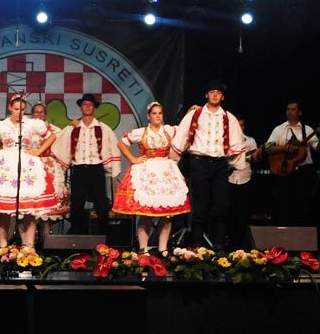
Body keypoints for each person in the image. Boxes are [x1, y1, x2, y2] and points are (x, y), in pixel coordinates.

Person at [0, 95, 58, 247]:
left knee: (29, 210)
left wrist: (39, 151)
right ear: (10, 108)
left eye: (23, 109)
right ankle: (3, 247)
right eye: (16, 109)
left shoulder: (32, 123)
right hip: (6, 166)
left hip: (27, 166)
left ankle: (29, 246)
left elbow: (51, 136)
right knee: (4, 211)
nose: (19, 112)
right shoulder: (1, 125)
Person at [171, 81, 245, 249]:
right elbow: (182, 135)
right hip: (199, 163)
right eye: (212, 92)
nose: (215, 95)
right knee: (200, 207)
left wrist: (235, 164)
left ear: (222, 97)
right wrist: (173, 160)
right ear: (206, 95)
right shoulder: (196, 114)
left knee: (221, 206)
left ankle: (218, 246)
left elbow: (237, 140)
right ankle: (197, 246)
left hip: (219, 165)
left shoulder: (228, 117)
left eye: (218, 92)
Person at [112, 102, 191, 253]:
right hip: (147, 172)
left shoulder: (169, 130)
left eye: (160, 113)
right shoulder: (141, 132)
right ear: (148, 116)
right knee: (146, 214)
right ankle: (144, 250)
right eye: (154, 113)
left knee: (167, 214)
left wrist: (190, 112)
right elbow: (121, 143)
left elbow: (184, 129)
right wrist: (133, 159)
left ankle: (163, 249)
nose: (157, 116)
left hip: (166, 172)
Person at [51, 93, 121, 238]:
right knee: (77, 204)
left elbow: (113, 146)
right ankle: (76, 238)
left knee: (101, 205)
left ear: (94, 107)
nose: (87, 107)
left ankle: (104, 238)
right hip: (79, 169)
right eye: (85, 104)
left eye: (90, 104)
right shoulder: (73, 128)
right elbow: (60, 145)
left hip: (96, 169)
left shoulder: (102, 128)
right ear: (81, 107)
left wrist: (112, 167)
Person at [265, 101, 320, 226]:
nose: (290, 111)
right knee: (284, 206)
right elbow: (268, 148)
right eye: (288, 109)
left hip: (304, 172)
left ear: (300, 112)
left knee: (303, 206)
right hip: (285, 172)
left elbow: (319, 149)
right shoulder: (279, 129)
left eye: (293, 109)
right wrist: (285, 148)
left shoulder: (307, 129)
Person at [30, 102, 70, 234]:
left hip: (49, 167)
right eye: (36, 112)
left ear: (45, 114)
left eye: (41, 112)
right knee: (32, 203)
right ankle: (27, 240)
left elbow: (63, 146)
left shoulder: (54, 130)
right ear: (32, 114)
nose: (39, 114)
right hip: (31, 166)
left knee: (47, 206)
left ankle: (46, 239)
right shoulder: (27, 128)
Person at [227, 114, 262, 250]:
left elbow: (256, 161)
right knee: (229, 212)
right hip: (229, 179)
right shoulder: (226, 141)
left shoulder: (250, 142)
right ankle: (229, 242)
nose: (240, 128)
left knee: (243, 213)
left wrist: (256, 155)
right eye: (237, 125)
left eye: (242, 125)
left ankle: (241, 244)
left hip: (245, 179)